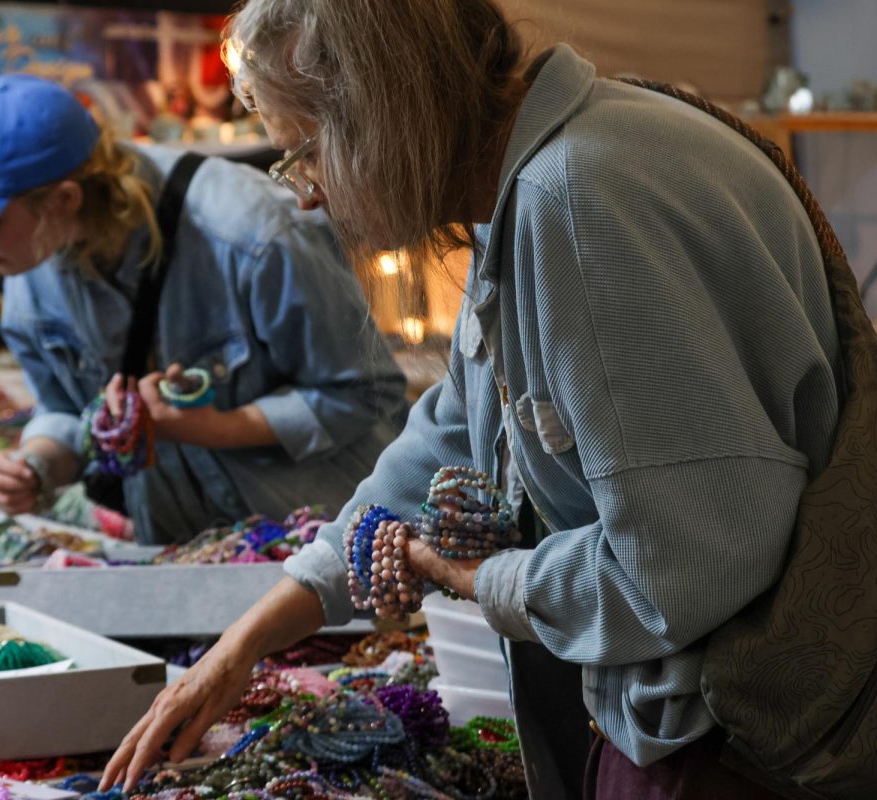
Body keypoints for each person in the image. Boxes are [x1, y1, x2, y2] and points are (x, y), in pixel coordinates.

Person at [100, 2, 844, 798]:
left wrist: (471, 574)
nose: (307, 195)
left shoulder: (579, 197)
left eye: (304, 153)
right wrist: (248, 638)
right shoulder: (535, 182)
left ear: (384, 115)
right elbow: (448, 436)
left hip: (735, 741)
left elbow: (676, 572)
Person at [0, 74, 409, 544]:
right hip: (179, 551)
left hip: (321, 548)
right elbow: (62, 410)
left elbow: (368, 393)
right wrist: (33, 465)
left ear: (65, 198)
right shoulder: (28, 264)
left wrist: (211, 427)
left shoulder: (252, 234)